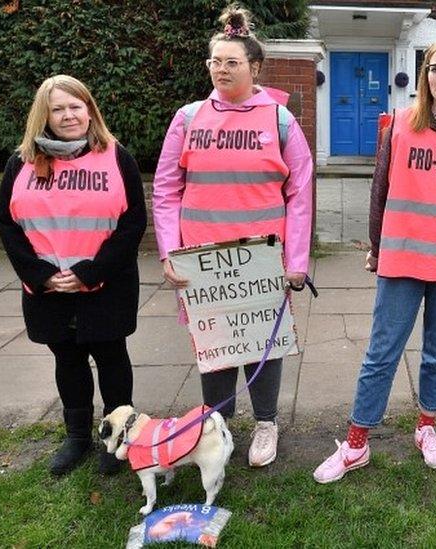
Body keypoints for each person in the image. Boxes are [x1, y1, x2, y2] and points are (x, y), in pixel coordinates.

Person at [313, 40, 436, 484]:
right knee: (382, 352)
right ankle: (357, 442)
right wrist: (376, 246)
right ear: (424, 76)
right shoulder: (400, 124)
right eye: (434, 68)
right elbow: (379, 189)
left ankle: (426, 428)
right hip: (403, 256)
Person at [151, 5, 313, 468]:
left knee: (264, 340)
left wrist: (296, 260)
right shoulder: (188, 118)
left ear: (254, 67)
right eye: (215, 62)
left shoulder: (280, 120)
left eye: (232, 63)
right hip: (201, 260)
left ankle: (266, 424)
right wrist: (170, 253)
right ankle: (216, 425)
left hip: (262, 259)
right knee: (214, 342)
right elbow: (165, 188)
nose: (221, 70)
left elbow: (300, 192)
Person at [0, 74, 146, 476]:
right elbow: (5, 223)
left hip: (105, 285)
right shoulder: (20, 163)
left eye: (75, 106)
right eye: (58, 109)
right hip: (49, 289)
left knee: (112, 357)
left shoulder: (116, 156)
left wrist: (90, 272)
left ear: (89, 109)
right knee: (68, 358)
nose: (68, 115)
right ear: (44, 115)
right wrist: (40, 274)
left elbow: (133, 223)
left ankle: (119, 439)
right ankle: (77, 437)